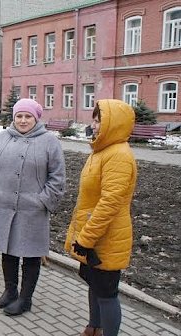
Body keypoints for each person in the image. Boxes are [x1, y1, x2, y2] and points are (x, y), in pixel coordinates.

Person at [0, 98, 66, 316]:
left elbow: (57, 177)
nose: (23, 120)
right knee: (8, 251)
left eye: (28, 116)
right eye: (19, 116)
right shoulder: (1, 138)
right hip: (3, 206)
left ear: (36, 119)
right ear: (13, 117)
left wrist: (42, 201)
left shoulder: (49, 142)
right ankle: (10, 291)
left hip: (32, 210)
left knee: (31, 255)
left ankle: (25, 299)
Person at [65, 100, 137, 336]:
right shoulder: (102, 151)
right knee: (94, 285)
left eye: (98, 120)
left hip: (107, 237)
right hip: (94, 236)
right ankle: (93, 328)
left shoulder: (118, 156)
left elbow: (109, 204)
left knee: (106, 294)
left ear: (113, 124)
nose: (93, 125)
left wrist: (85, 238)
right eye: (93, 119)